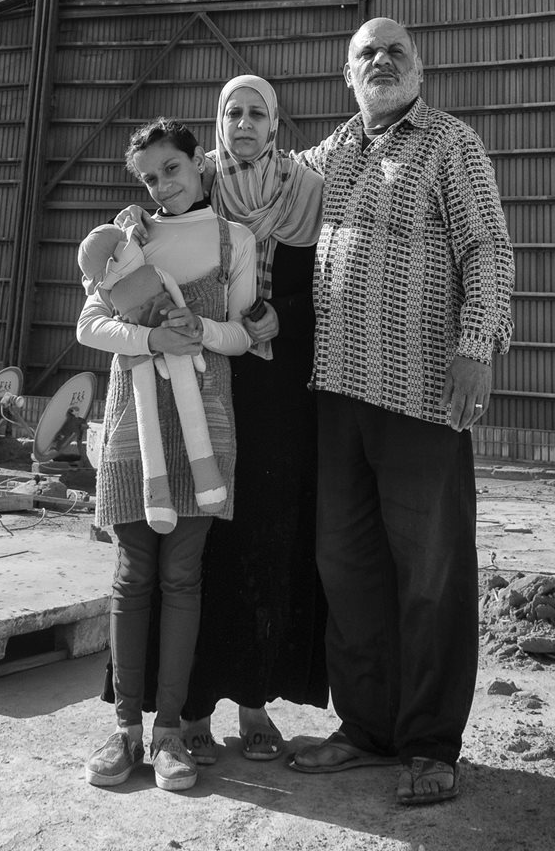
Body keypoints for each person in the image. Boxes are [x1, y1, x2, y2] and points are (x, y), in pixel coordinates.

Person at [286, 17, 514, 808]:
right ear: (347, 73)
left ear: (420, 66)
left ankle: (428, 744)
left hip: (421, 394)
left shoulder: (451, 143)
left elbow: (486, 246)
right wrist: (153, 207)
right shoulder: (332, 152)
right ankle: (367, 728)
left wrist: (477, 343)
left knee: (431, 573)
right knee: (346, 567)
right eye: (365, 54)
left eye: (395, 51)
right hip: (337, 392)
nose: (380, 61)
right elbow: (250, 179)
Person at [76, 118, 256, 794]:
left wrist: (197, 331)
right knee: (131, 577)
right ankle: (124, 730)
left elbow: (241, 334)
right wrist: (153, 344)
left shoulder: (232, 238)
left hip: (206, 429)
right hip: (132, 429)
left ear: (199, 163)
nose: (161, 185)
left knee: (183, 576)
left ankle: (171, 731)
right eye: (149, 177)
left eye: (171, 169)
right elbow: (89, 325)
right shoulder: (127, 238)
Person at [179, 74, 328, 763]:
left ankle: (253, 701)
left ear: (275, 126)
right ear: (219, 121)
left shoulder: (306, 196)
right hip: (205, 385)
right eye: (231, 111)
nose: (242, 122)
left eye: (255, 113)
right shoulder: (195, 187)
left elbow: (325, 291)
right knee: (203, 539)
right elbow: (151, 245)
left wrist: (280, 316)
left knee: (266, 540)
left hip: (276, 394)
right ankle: (192, 705)